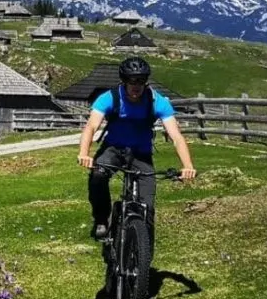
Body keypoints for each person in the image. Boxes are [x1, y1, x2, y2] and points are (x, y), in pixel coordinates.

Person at [77, 56, 196, 245]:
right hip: (113, 149)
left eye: (141, 81)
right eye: (132, 81)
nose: (136, 86)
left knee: (147, 206)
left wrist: (188, 165)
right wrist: (84, 153)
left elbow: (176, 136)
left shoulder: (157, 101)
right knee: (98, 176)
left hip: (141, 154)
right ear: (124, 81)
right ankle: (101, 219)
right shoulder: (110, 98)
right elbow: (91, 126)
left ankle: (143, 253)